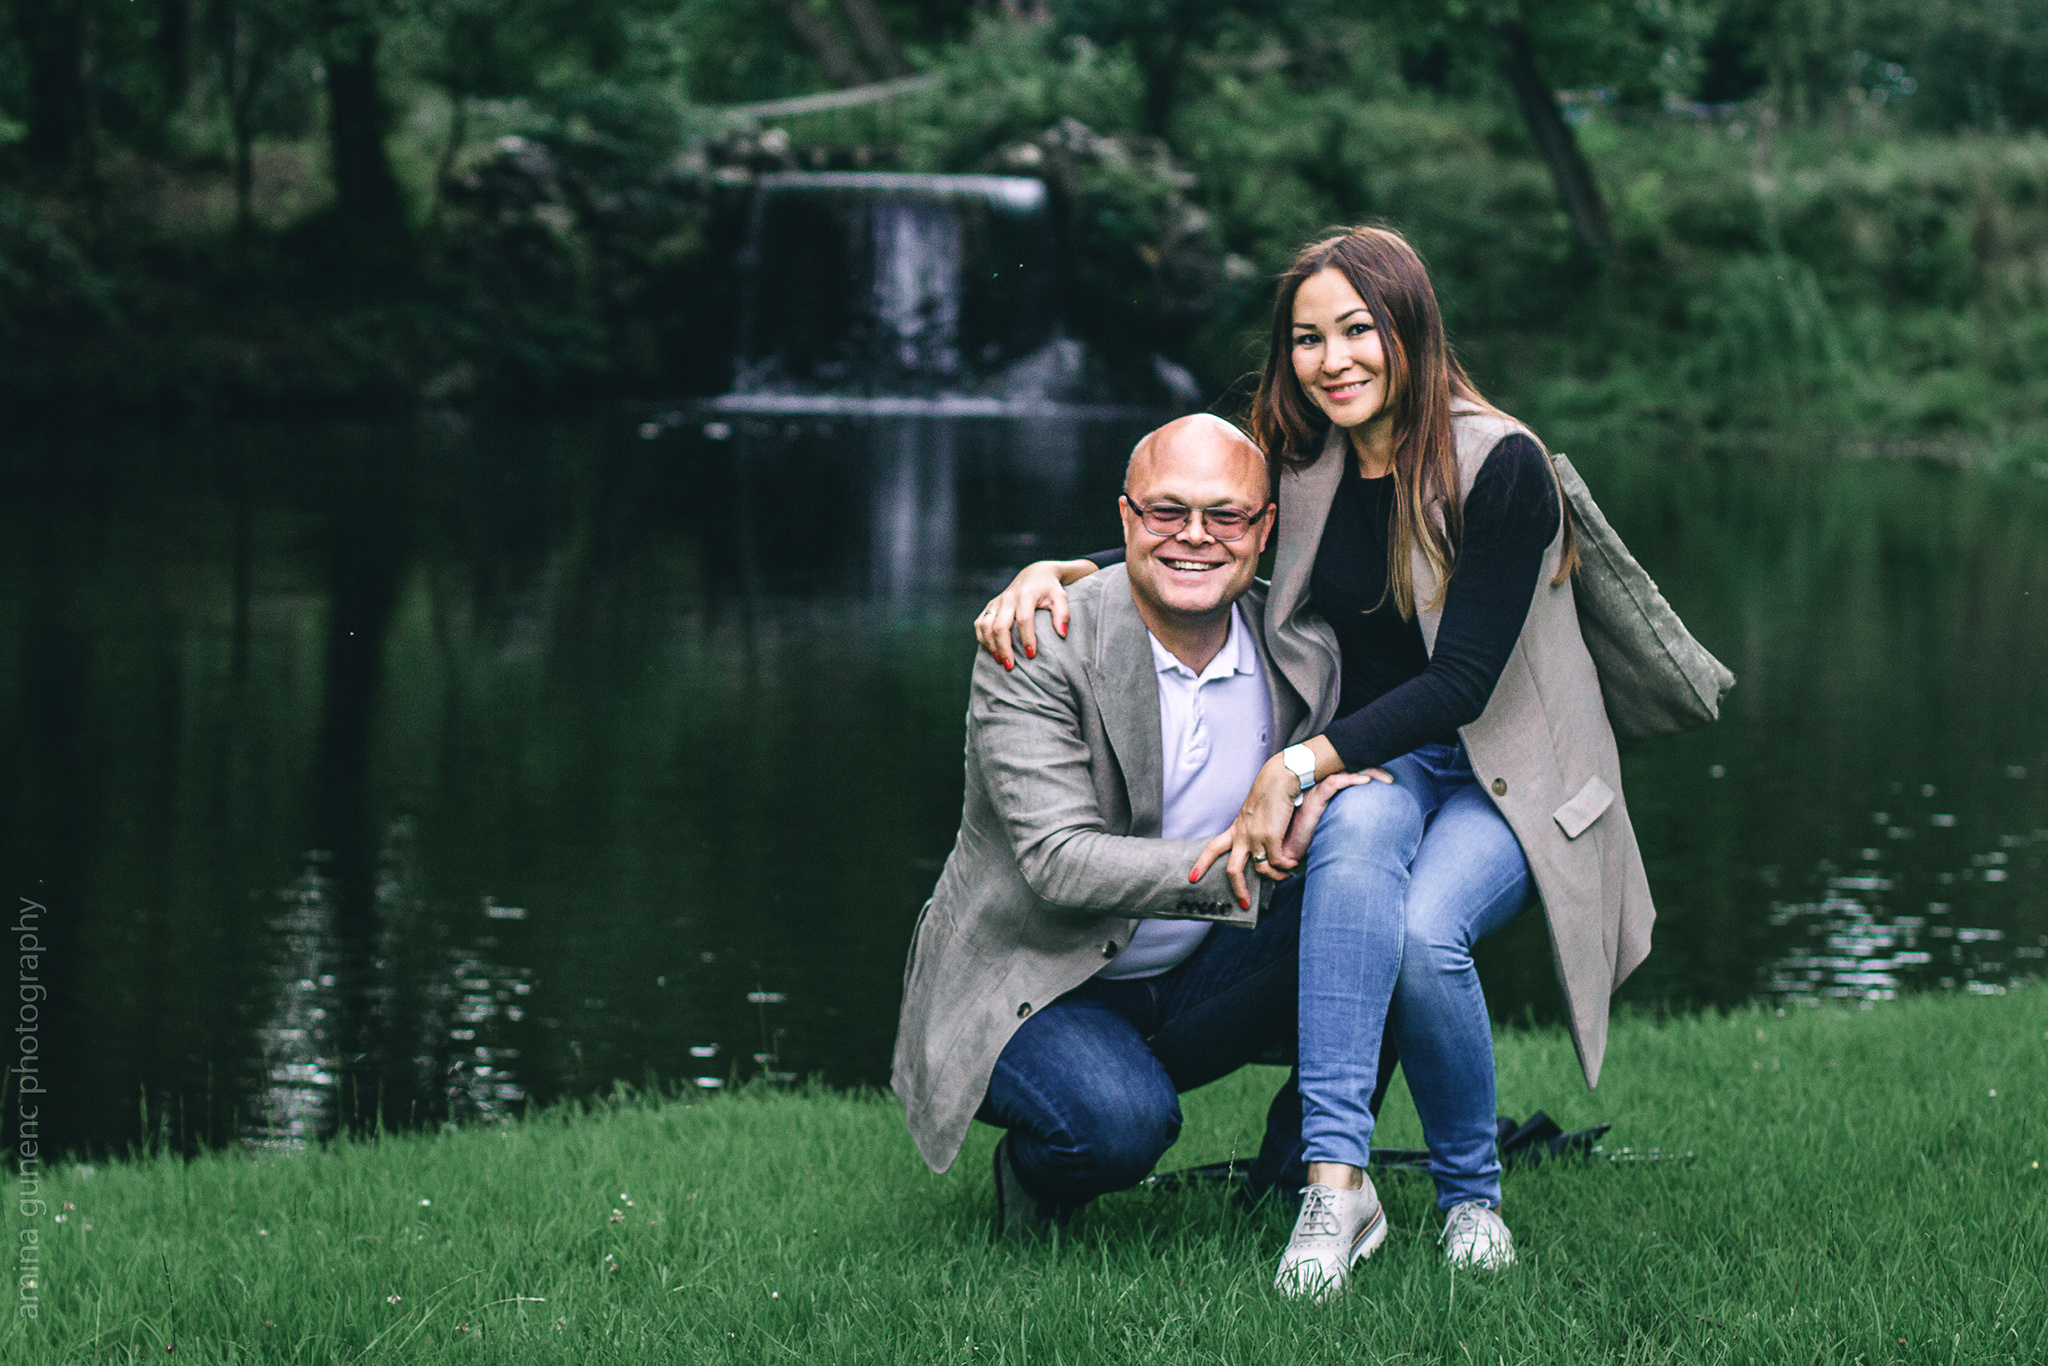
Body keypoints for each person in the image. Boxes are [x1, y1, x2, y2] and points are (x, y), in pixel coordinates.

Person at [974, 225, 1656, 1298]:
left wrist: (1295, 763)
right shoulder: (1306, 459)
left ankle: (1470, 1199)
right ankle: (1330, 1184)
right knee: (1353, 889)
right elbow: (1209, 542)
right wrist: (1060, 572)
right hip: (1381, 765)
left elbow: (1463, 682)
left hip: (1502, 772)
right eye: (1306, 338)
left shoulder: (1500, 464)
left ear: (1409, 329)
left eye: (1356, 330)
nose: (1331, 360)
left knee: (1425, 937)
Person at [891, 413, 1387, 1235]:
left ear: (1265, 528)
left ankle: (1295, 1188)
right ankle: (1033, 1172)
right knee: (1118, 1125)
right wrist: (1256, 853)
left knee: (1390, 902)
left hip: (1200, 978)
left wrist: (1344, 800)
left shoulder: (1299, 646)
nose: (1195, 536)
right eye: (1167, 511)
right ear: (1126, 519)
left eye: (1226, 515)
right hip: (1034, 988)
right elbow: (1059, 861)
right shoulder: (1035, 641)